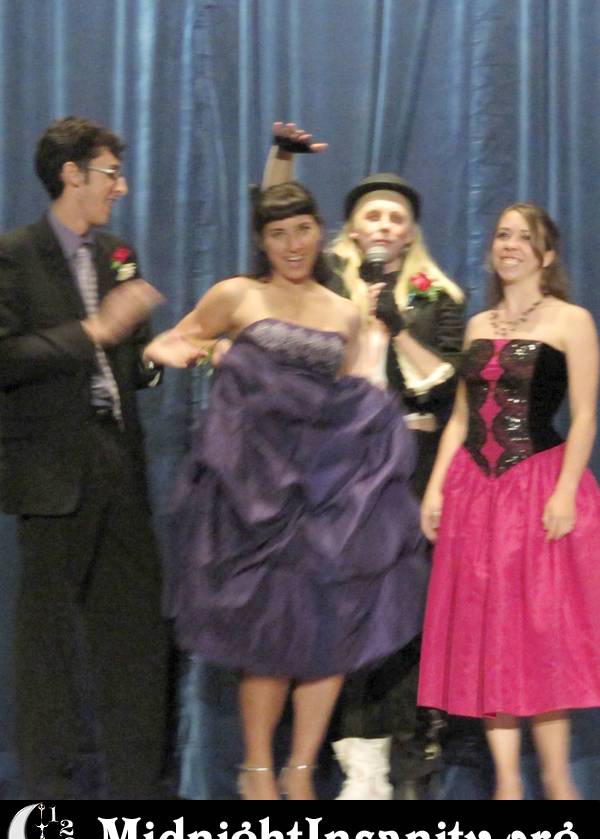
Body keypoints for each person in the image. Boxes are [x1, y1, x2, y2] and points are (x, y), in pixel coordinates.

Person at [144, 181, 427, 800]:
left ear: (319, 232)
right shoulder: (237, 293)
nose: (292, 244)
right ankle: (256, 771)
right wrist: (213, 353)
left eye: (302, 230)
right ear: (262, 241)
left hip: (325, 490)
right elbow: (167, 342)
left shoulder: (342, 310)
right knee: (266, 636)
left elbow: (356, 398)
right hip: (254, 491)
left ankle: (299, 771)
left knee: (331, 630)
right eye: (277, 234)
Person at [262, 124, 465, 799]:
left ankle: (405, 753)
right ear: (351, 229)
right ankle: (355, 756)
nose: (384, 225)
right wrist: (282, 161)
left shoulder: (439, 299)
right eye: (372, 215)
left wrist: (398, 327)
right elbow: (276, 225)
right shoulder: (324, 285)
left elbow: (447, 388)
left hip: (411, 464)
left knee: (406, 609)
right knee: (345, 607)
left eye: (396, 218)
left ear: (409, 235)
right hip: (341, 467)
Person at [0, 116, 170, 799]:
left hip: (118, 459)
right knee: (47, 642)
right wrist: (92, 331)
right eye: (110, 174)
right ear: (72, 175)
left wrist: (157, 358)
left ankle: (136, 789)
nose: (120, 188)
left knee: (134, 632)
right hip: (52, 472)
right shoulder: (14, 256)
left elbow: (131, 360)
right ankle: (49, 794)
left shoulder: (117, 255)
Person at [418, 202, 600, 800]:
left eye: (524, 236)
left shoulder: (572, 320)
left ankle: (557, 780)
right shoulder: (477, 325)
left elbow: (585, 414)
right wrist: (437, 488)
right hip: (477, 493)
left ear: (546, 254)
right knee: (488, 632)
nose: (510, 245)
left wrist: (566, 491)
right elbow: (460, 419)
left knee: (541, 634)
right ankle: (506, 784)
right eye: (502, 235)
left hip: (539, 487)